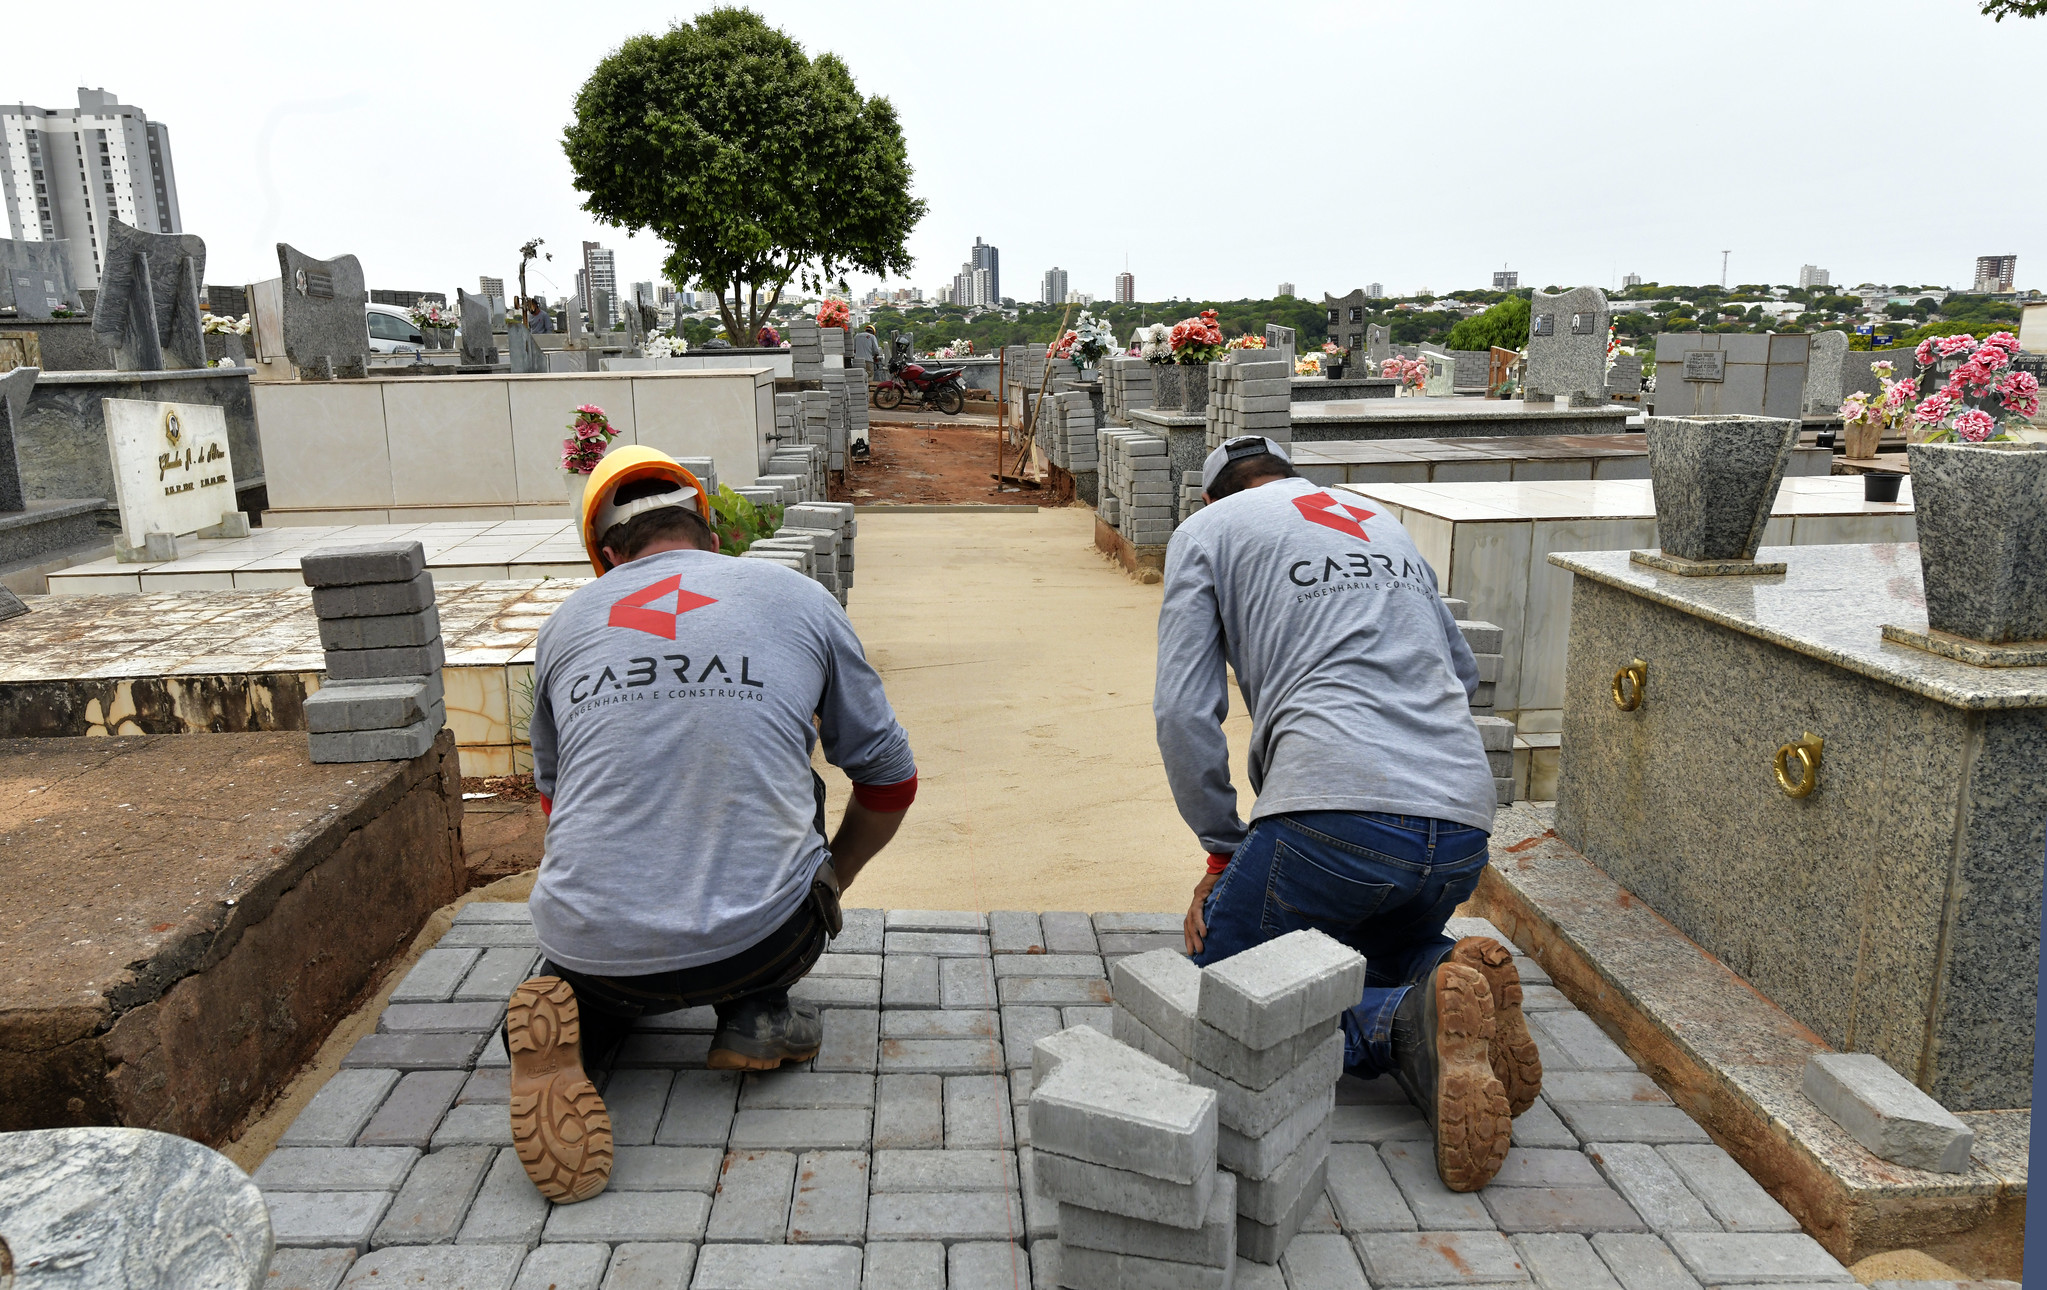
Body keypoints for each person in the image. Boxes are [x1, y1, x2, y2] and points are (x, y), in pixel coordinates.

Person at [506, 446, 917, 1204]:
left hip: (593, 947)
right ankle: (756, 1011)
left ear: (604, 556)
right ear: (711, 533)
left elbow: (555, 805)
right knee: (792, 784)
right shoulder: (790, 594)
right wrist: (832, 881)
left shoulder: (568, 623)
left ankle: (583, 1029)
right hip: (765, 938)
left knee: (588, 963)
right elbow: (890, 776)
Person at [1153, 435, 1538, 1193]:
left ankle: (1395, 1026)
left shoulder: (1207, 531)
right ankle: (1440, 974)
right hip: (1460, 823)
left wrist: (1222, 852)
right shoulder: (1376, 520)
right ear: (1294, 480)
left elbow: (1182, 713)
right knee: (1373, 932)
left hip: (1331, 814)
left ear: (1210, 497)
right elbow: (1461, 675)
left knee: (1230, 993)